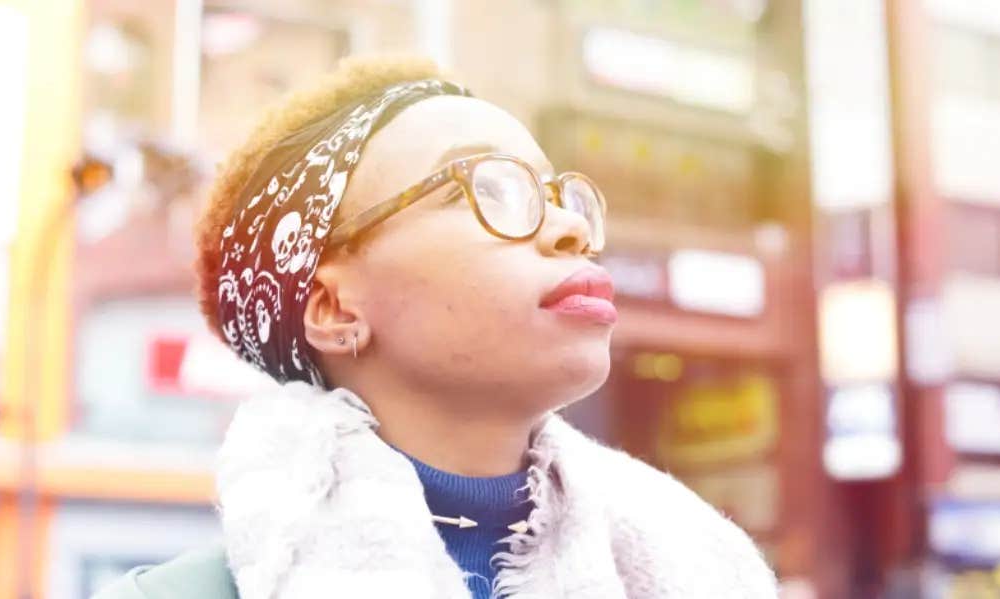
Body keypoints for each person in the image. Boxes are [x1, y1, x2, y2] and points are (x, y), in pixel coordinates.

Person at [94, 55, 777, 599]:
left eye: (558, 197)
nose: (571, 229)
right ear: (335, 308)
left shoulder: (701, 568)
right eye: (489, 189)